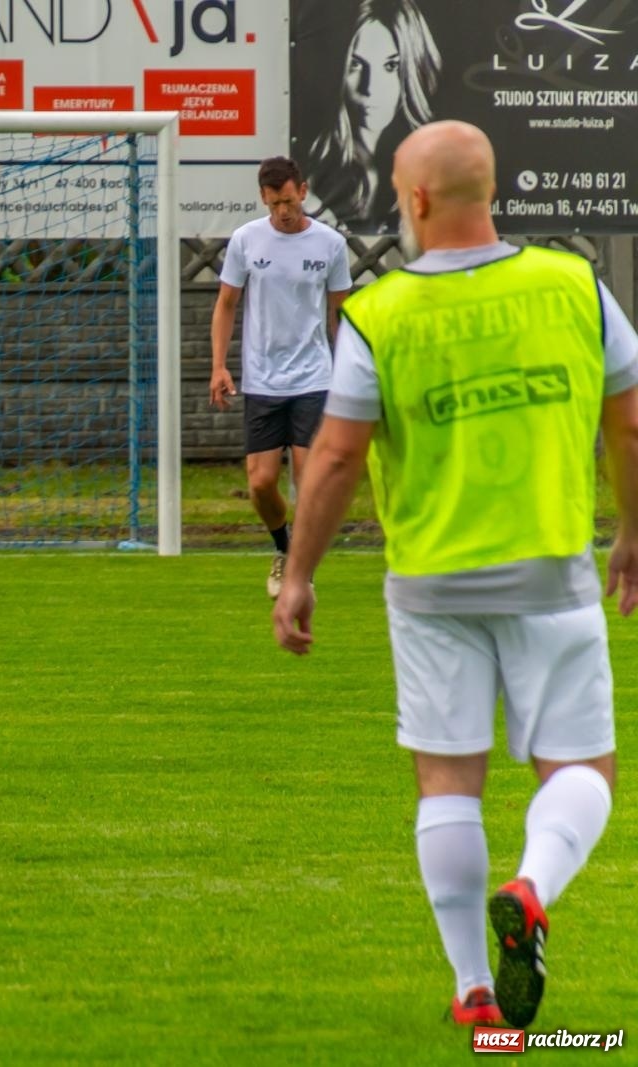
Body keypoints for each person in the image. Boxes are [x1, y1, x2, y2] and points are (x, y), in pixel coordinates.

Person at [273, 120, 638, 1029]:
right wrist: (632, 528)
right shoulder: (574, 287)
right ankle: (533, 883)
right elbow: (628, 425)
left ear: (418, 199)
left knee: (447, 781)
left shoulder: (382, 311)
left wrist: (299, 574)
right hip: (551, 570)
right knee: (583, 766)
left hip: (432, 581)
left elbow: (334, 457)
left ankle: (477, 989)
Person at [210, 156, 352, 598]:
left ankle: (301, 566)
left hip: (314, 378)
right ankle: (284, 548)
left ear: (303, 191)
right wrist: (218, 365)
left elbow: (341, 314)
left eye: (288, 202)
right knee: (260, 483)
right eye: (273, 205)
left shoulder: (330, 244)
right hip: (262, 382)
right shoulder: (245, 240)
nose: (283, 213)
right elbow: (227, 304)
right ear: (263, 199)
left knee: (310, 482)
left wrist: (351, 371)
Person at [304, 0, 441, 232]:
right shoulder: (313, 174)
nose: (370, 87)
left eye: (390, 66)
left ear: (410, 71)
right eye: (356, 65)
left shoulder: (433, 166)